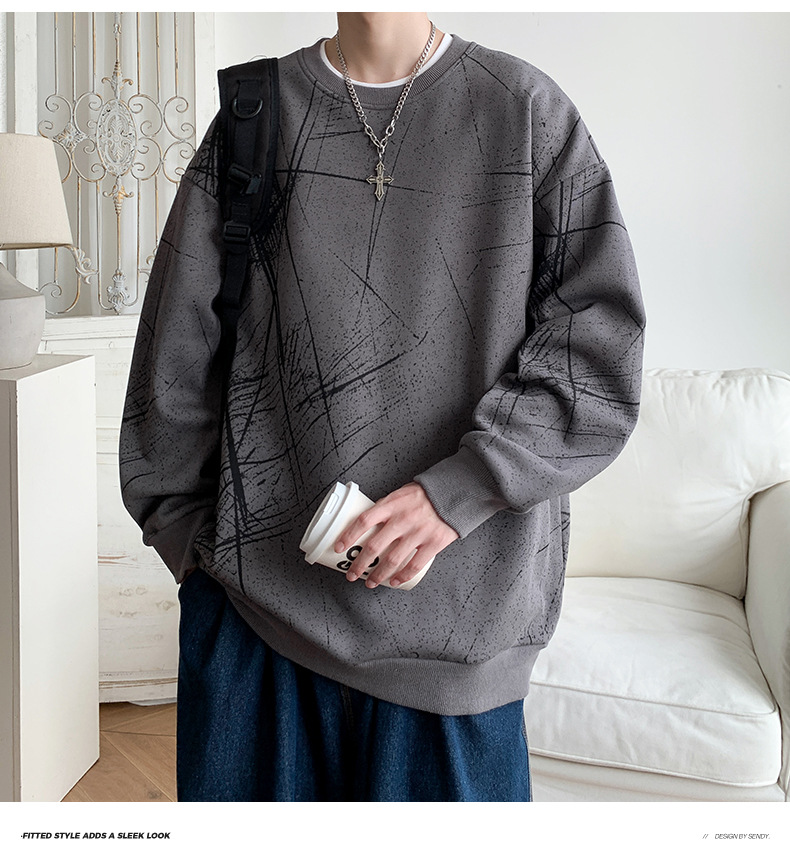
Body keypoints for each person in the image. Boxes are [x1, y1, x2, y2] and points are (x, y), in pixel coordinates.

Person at [119, 11, 645, 802]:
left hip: (455, 656)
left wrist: (458, 492)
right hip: (256, 636)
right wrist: (197, 557)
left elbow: (597, 359)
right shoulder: (255, 115)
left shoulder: (524, 111)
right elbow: (176, 358)